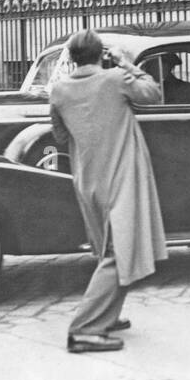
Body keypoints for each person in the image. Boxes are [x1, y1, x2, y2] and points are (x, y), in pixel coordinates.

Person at [50, 30, 165, 353]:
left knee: (108, 251)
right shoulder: (116, 78)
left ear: (72, 58)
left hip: (87, 180)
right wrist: (128, 63)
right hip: (121, 176)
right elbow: (153, 94)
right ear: (101, 54)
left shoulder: (58, 90)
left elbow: (60, 135)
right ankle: (84, 328)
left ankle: (106, 316)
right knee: (119, 253)